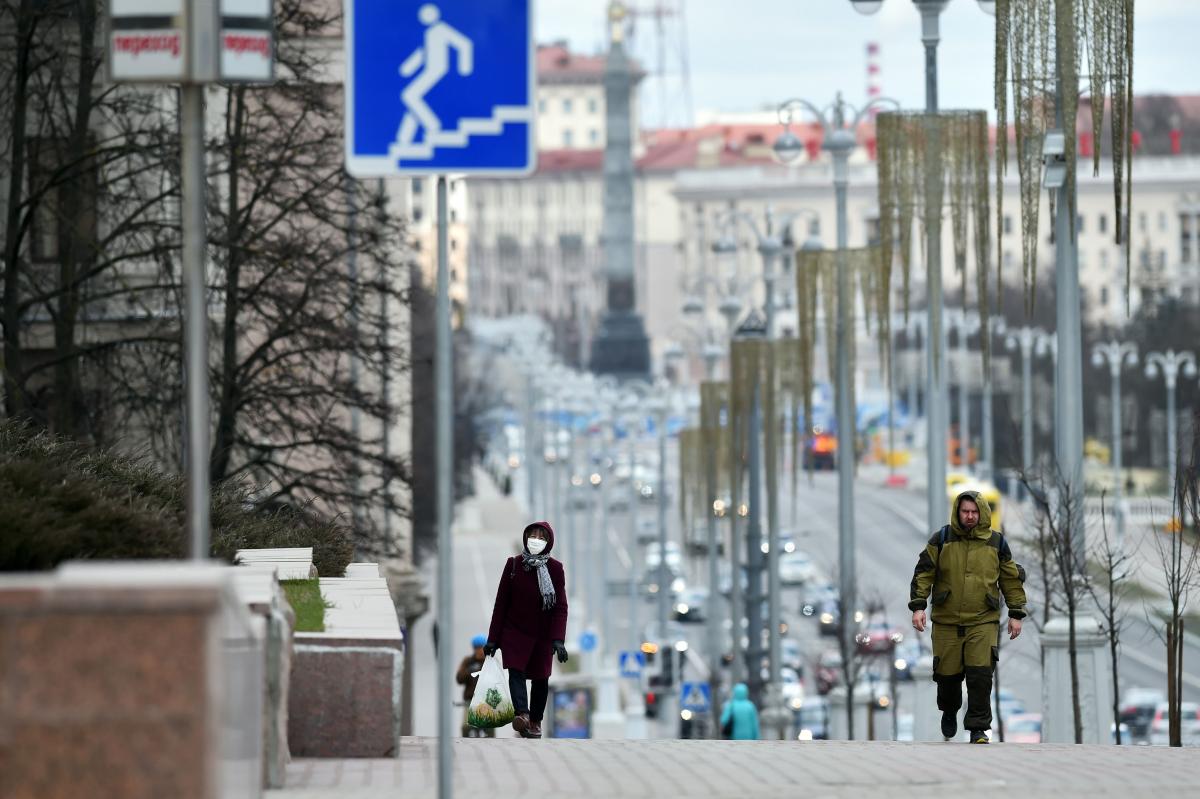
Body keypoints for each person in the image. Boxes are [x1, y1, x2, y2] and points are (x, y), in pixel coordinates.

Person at [909, 490, 1028, 744]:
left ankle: (978, 729)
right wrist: (918, 607)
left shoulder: (996, 543)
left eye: (974, 512)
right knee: (947, 675)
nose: (970, 516)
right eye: (965, 512)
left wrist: (1016, 613)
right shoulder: (941, 539)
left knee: (980, 676)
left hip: (982, 620)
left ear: (982, 513)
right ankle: (949, 711)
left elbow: (1011, 579)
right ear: (958, 512)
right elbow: (924, 573)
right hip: (946, 620)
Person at [485, 521, 568, 739]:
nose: (536, 540)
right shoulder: (513, 565)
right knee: (516, 671)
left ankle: (535, 722)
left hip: (542, 634)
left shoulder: (556, 569)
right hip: (515, 632)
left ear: (549, 542)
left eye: (542, 537)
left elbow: (560, 607)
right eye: (533, 535)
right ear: (525, 537)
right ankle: (521, 714)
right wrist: (493, 639)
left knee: (541, 679)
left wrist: (558, 640)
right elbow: (500, 604)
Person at [456, 635, 495, 737]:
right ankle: (464, 743)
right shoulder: (468, 661)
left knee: (490, 727)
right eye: (476, 648)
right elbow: (459, 679)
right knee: (465, 727)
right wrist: (469, 671)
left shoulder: (490, 661)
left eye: (481, 648)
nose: (479, 651)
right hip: (470, 700)